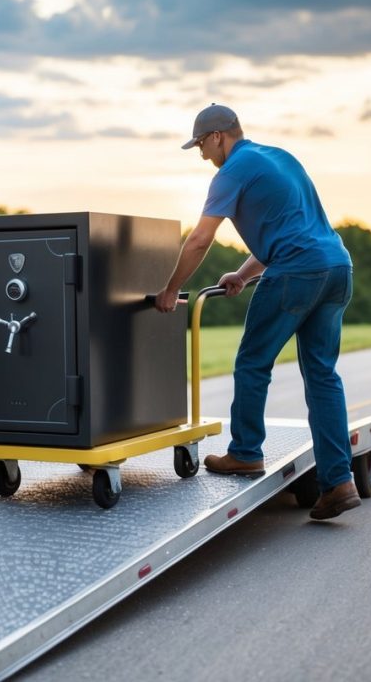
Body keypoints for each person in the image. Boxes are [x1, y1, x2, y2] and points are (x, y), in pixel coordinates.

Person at [154, 104, 360, 520]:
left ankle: (246, 452)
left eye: (200, 145)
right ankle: (339, 482)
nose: (200, 154)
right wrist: (245, 275)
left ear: (217, 136)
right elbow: (291, 228)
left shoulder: (229, 173)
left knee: (252, 363)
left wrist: (171, 289)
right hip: (337, 266)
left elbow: (199, 239)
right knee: (322, 375)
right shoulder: (280, 157)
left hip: (296, 272)